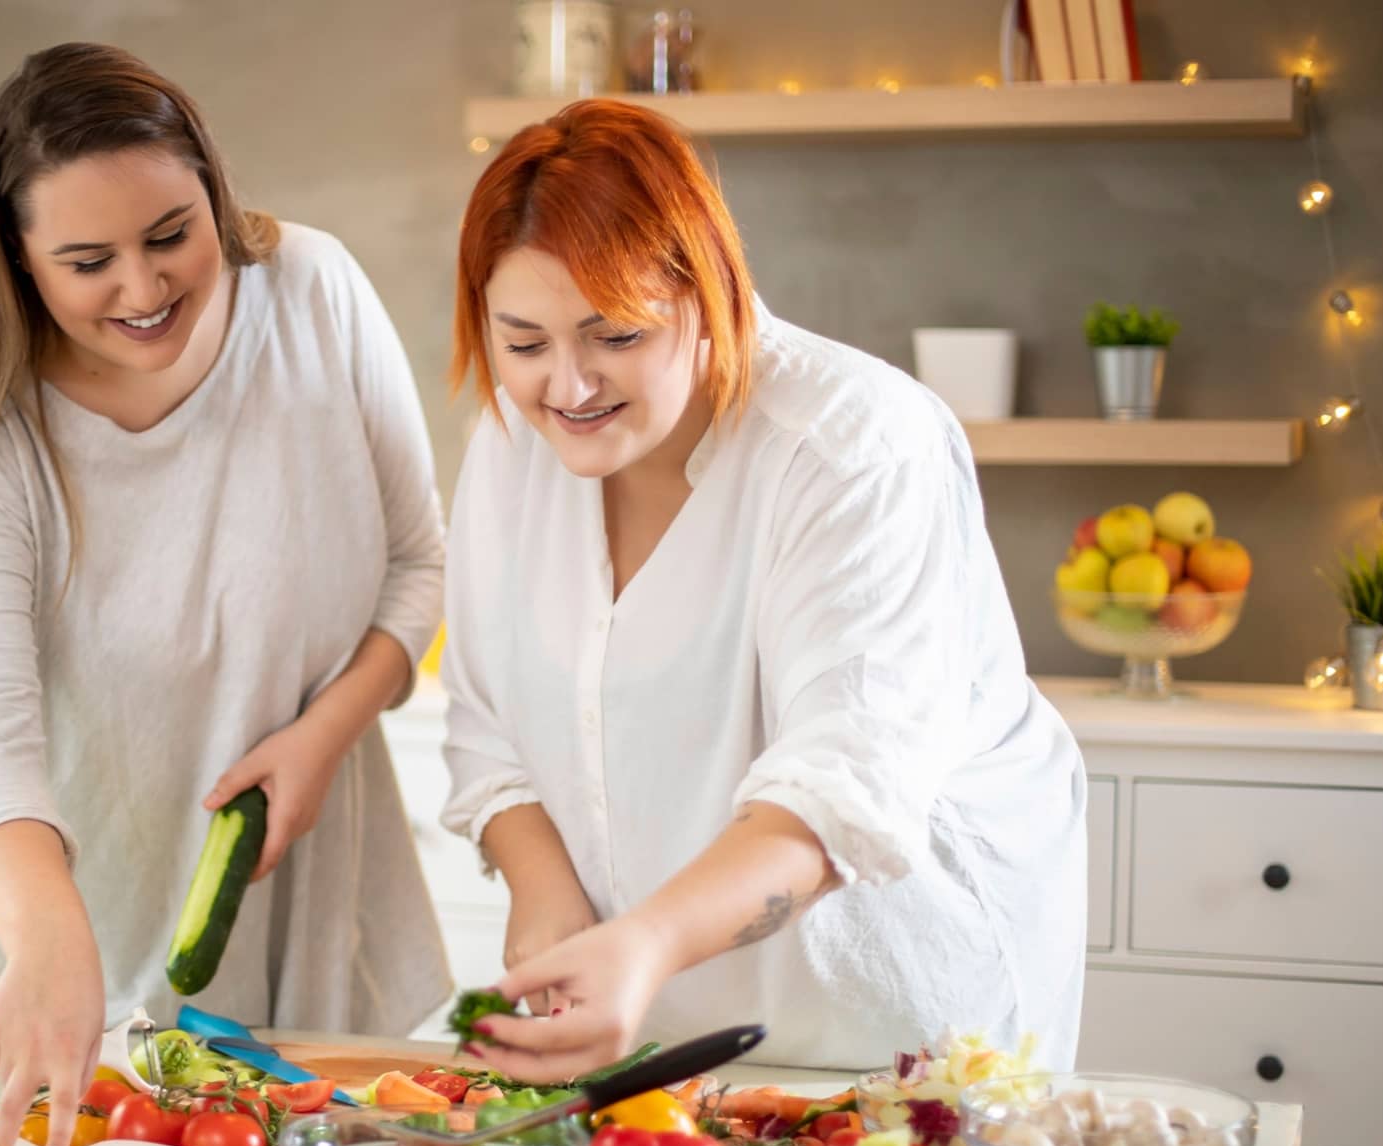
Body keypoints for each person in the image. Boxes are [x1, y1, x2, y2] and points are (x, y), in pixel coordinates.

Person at [0, 43, 449, 1146]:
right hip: (37, 932)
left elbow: (416, 563)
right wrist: (47, 936)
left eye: (171, 234)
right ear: (17, 258)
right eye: (87, 262)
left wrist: (325, 731)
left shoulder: (313, 295)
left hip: (287, 910)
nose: (143, 287)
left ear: (213, 189)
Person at [438, 100, 1086, 1082]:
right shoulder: (510, 445)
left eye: (614, 335)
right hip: (654, 1011)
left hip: (893, 1013)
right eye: (524, 343)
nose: (566, 388)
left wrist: (647, 941)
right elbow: (485, 721)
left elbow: (841, 783)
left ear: (704, 292)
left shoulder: (853, 445)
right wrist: (545, 890)